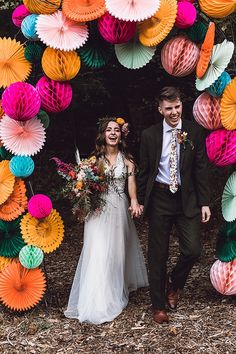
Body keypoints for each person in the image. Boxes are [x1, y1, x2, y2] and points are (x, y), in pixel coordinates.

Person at [137, 86, 211, 324]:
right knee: (158, 255)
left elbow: (200, 169)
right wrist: (137, 200)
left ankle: (174, 285)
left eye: (177, 107)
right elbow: (144, 171)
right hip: (159, 198)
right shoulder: (149, 135)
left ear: (182, 105)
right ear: (160, 109)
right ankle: (158, 306)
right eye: (168, 108)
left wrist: (205, 202)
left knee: (193, 250)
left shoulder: (194, 132)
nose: (174, 112)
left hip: (186, 199)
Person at [64, 116, 148, 324]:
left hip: (118, 210)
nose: (112, 133)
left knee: (117, 254)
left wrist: (135, 201)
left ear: (121, 135)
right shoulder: (94, 161)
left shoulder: (127, 161)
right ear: (103, 135)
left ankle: (114, 290)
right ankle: (97, 300)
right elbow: (85, 188)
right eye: (109, 130)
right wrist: (81, 200)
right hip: (97, 212)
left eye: (116, 130)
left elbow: (131, 185)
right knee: (98, 251)